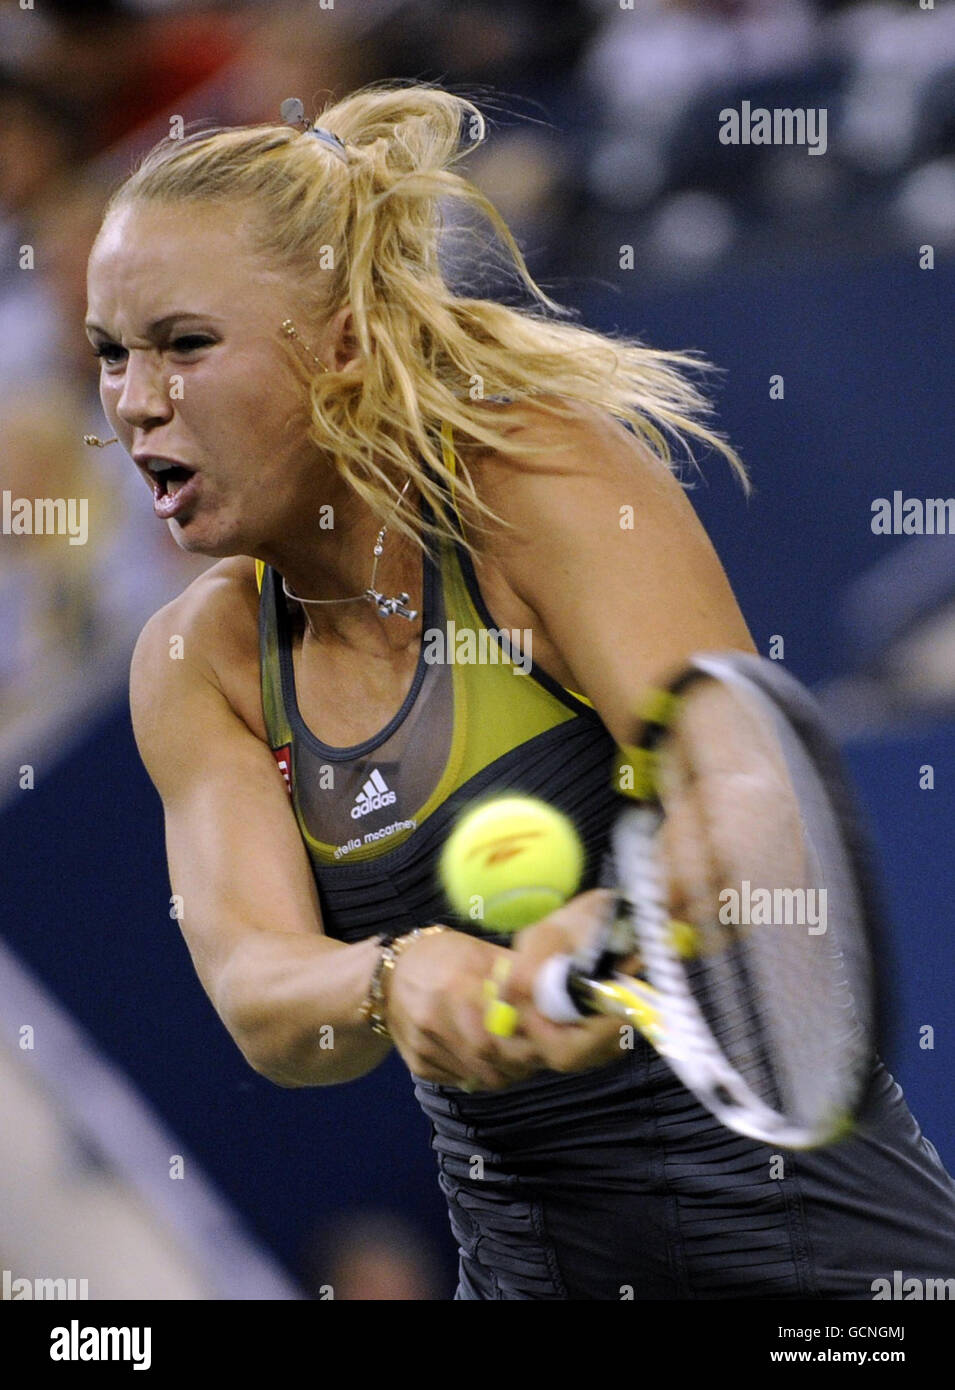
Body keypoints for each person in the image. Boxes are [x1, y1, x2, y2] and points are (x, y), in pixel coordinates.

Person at [86, 85, 955, 1299]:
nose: (134, 401)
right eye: (111, 355)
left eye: (184, 344)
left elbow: (744, 780)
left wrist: (641, 919)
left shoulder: (540, 483)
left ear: (339, 340)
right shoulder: (200, 661)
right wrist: (396, 977)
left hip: (819, 1269)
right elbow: (262, 997)